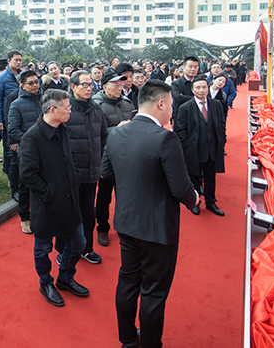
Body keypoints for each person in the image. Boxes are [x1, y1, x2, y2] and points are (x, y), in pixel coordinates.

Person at [101, 80, 199, 348]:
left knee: (128, 281)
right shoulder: (165, 138)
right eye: (171, 105)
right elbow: (181, 188)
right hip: (157, 230)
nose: (172, 111)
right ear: (160, 103)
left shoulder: (117, 133)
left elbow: (106, 172)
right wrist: (195, 199)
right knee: (154, 294)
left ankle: (128, 340)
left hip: (125, 221)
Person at [19, 89, 89, 308]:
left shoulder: (62, 128)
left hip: (70, 200)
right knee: (43, 249)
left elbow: (70, 159)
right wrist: (48, 194)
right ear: (52, 109)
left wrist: (75, 178)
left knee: (79, 242)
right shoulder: (33, 136)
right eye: (67, 108)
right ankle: (46, 282)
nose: (70, 111)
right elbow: (27, 174)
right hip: (48, 204)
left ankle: (66, 277)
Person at [64, 70, 108, 264]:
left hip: (91, 173)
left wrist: (102, 164)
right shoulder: (65, 110)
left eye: (90, 84)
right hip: (70, 175)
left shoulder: (96, 109)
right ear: (73, 87)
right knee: (68, 213)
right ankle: (64, 250)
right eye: (84, 85)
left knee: (88, 213)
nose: (89, 88)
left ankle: (86, 248)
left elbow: (104, 138)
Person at [91, 70, 134, 246]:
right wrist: (118, 129)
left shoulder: (127, 102)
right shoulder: (96, 105)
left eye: (120, 85)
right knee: (104, 196)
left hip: (127, 156)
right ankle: (102, 228)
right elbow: (95, 133)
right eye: (115, 85)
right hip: (106, 157)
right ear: (104, 86)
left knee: (126, 195)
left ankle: (125, 227)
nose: (119, 88)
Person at [175, 75, 226, 217]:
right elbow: (181, 130)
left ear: (208, 89)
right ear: (192, 90)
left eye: (204, 87)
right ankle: (195, 203)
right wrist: (186, 147)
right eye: (198, 87)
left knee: (211, 176)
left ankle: (211, 202)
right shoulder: (185, 108)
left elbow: (222, 125)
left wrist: (222, 142)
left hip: (212, 149)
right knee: (194, 177)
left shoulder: (216, 105)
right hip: (193, 149)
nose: (201, 90)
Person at [8, 70, 43, 234]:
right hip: (28, 152)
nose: (35, 85)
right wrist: (32, 142)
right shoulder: (16, 104)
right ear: (21, 85)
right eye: (31, 83)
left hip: (46, 152)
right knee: (25, 186)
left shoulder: (44, 100)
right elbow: (13, 131)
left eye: (37, 82)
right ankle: (25, 217)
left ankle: (41, 214)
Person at [0, 50, 22, 194]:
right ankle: (12, 178)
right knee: (10, 149)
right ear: (9, 61)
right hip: (8, 119)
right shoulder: (1, 78)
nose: (18, 62)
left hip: (23, 117)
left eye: (20, 60)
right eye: (16, 60)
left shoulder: (23, 76)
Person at [171, 56, 199, 123]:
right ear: (184, 68)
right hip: (182, 118)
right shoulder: (176, 83)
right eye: (190, 66)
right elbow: (178, 98)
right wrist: (197, 98)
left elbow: (206, 97)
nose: (193, 69)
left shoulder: (201, 82)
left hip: (198, 117)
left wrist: (184, 97)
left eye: (195, 67)